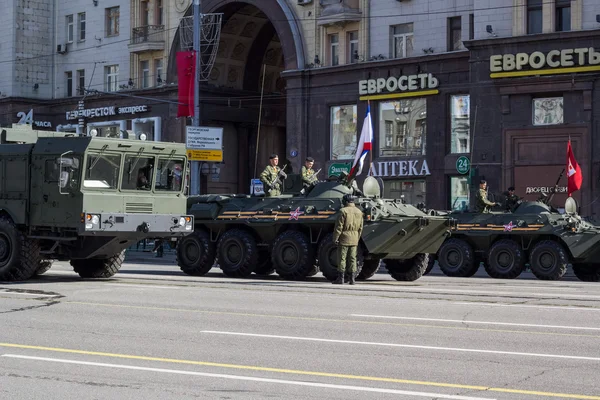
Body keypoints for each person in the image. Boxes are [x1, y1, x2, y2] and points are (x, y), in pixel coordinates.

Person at [332, 194, 364, 285]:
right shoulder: (359, 211)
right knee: (353, 258)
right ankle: (352, 279)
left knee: (342, 258)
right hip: (354, 238)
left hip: (344, 237)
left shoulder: (343, 211)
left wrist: (335, 238)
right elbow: (361, 228)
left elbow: (339, 227)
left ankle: (341, 279)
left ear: (346, 201)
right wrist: (357, 238)